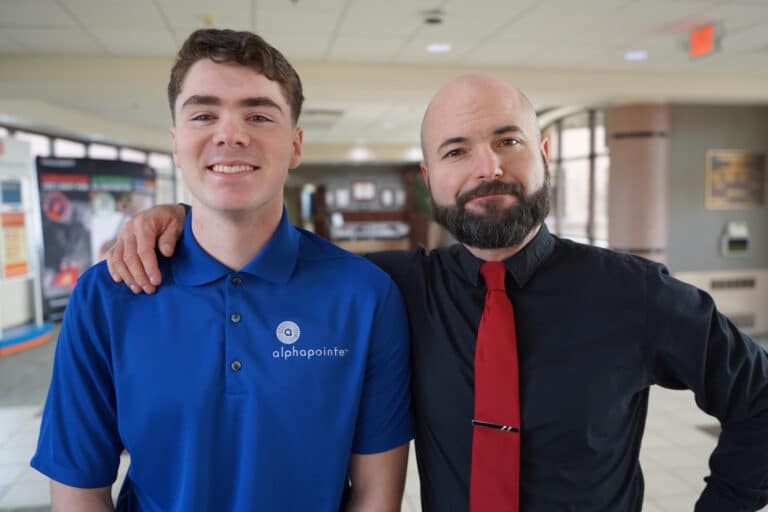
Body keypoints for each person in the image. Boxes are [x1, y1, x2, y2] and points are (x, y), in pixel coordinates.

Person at [106, 74, 768, 511]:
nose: (488, 167)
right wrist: (172, 221)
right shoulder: (391, 288)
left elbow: (759, 399)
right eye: (457, 150)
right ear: (431, 176)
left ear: (543, 153)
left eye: (508, 141)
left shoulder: (633, 294)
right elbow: (258, 247)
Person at [31, 29, 413, 512]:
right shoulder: (108, 294)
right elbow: (78, 492)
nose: (230, 134)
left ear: (295, 146)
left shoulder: (364, 296)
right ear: (176, 143)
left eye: (257, 115)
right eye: (204, 114)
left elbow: (377, 498)